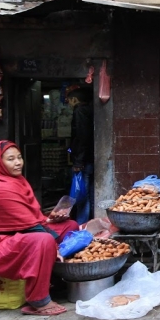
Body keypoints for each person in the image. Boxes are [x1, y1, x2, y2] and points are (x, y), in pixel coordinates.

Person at [0, 141, 79, 315]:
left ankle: (55, 279)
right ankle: (38, 300)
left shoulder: (15, 180)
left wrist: (50, 220)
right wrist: (53, 244)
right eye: (10, 159)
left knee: (70, 226)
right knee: (44, 240)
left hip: (18, 234)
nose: (18, 162)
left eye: (19, 157)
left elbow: (28, 219)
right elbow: (29, 225)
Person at [66, 86, 94, 224]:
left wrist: (78, 162)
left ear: (75, 100)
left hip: (84, 160)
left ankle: (82, 223)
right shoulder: (89, 110)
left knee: (83, 194)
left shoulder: (80, 111)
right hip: (89, 158)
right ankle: (87, 221)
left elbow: (82, 137)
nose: (69, 104)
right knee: (87, 192)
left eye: (69, 100)